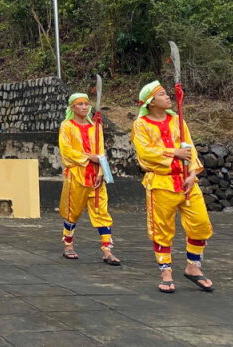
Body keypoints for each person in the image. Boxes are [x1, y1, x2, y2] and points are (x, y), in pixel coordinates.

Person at [132, 81, 213, 294]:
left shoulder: (178, 121)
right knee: (162, 228)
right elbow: (145, 154)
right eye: (163, 94)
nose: (168, 97)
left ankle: (193, 266)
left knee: (200, 223)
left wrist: (193, 173)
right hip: (161, 182)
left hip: (187, 181)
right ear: (150, 102)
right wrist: (173, 153)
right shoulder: (141, 125)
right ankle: (165, 270)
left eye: (168, 94)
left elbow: (190, 149)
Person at [57, 93, 121, 265]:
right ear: (72, 108)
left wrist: (101, 170)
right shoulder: (67, 126)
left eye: (86, 104)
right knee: (73, 211)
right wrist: (88, 158)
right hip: (77, 176)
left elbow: (101, 151)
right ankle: (68, 245)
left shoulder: (96, 127)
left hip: (96, 177)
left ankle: (107, 250)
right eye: (80, 104)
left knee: (101, 211)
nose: (84, 107)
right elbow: (67, 151)